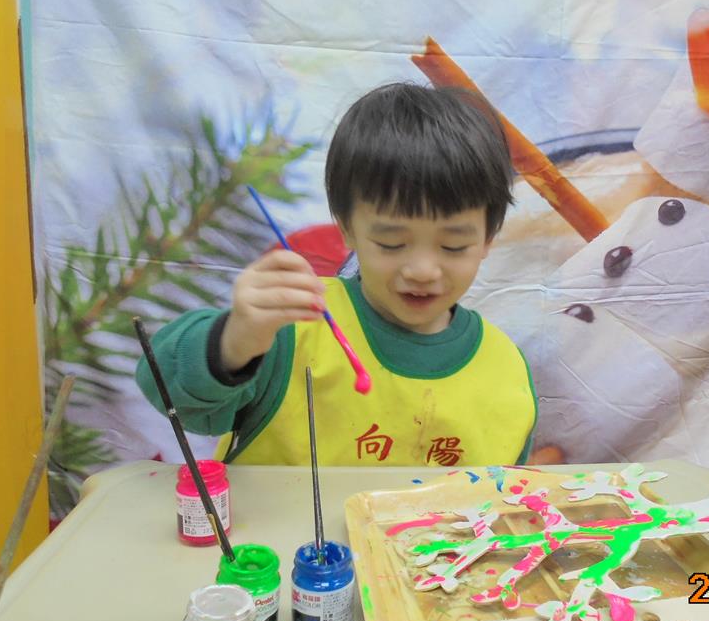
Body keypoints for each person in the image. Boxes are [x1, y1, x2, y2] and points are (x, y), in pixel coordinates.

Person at [136, 82, 537, 467]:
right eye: (391, 243)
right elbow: (170, 394)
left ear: (488, 239)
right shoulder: (293, 325)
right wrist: (235, 340)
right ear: (347, 228)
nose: (422, 271)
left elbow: (506, 501)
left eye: (453, 246)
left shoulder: (504, 372)